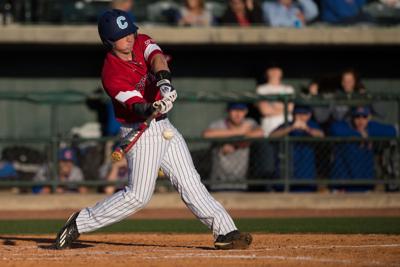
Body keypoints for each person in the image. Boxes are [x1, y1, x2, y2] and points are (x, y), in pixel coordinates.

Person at [54, 9, 252, 250]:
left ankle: (226, 231)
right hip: (140, 130)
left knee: (191, 182)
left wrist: (164, 83)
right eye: (122, 34)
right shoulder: (111, 74)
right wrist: (154, 105)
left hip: (164, 125)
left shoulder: (140, 40)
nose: (129, 37)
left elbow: (157, 57)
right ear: (109, 41)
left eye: (130, 31)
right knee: (138, 196)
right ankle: (79, 222)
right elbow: (138, 107)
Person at [330, 106, 397, 192]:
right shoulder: (343, 127)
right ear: (352, 117)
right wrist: (359, 135)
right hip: (343, 186)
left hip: (364, 186)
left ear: (368, 118)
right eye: (357, 117)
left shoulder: (372, 128)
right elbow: (335, 130)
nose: (360, 121)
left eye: (364, 117)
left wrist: (367, 134)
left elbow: (394, 130)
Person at [203, 103, 264, 191]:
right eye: (234, 111)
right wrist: (239, 132)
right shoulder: (219, 124)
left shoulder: (249, 123)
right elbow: (206, 134)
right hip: (218, 182)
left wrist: (234, 145)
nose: (238, 114)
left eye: (241, 111)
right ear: (228, 112)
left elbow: (260, 133)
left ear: (246, 112)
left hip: (240, 182)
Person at [270, 105, 324, 192]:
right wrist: (291, 128)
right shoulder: (287, 125)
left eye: (304, 114)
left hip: (306, 175)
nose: (301, 117)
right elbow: (272, 136)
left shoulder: (312, 125)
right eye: (298, 114)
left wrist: (307, 129)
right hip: (286, 173)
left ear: (309, 115)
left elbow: (321, 136)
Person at [256, 64, 295, 137]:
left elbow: (290, 109)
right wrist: (282, 107)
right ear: (266, 72)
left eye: (277, 68)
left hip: (287, 126)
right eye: (272, 69)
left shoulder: (288, 89)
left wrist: (273, 107)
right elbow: (265, 111)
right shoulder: (261, 89)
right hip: (269, 127)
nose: (275, 71)